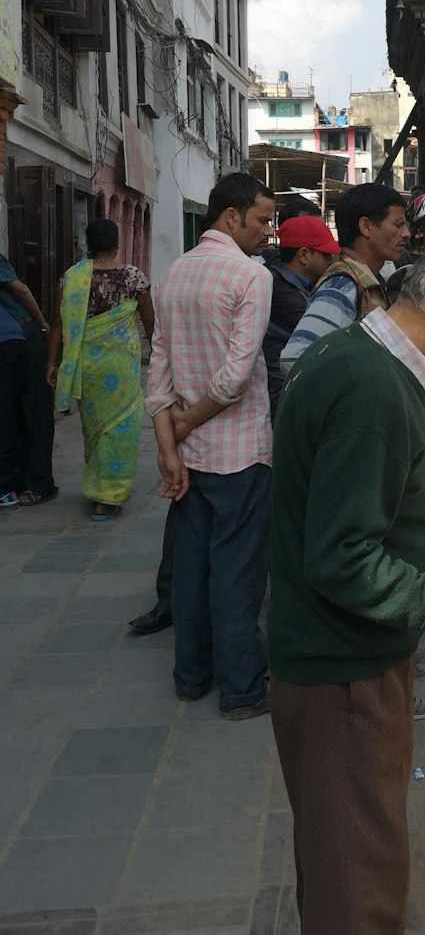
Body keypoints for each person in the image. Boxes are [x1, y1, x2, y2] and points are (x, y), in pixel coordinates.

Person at [268, 234, 425, 932]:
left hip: (332, 660)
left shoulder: (358, 353)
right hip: (342, 672)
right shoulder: (374, 386)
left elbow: (343, 485)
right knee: (358, 875)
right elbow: (342, 557)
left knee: (343, 856)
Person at [146, 173, 275, 719]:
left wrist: (171, 444)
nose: (269, 232)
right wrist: (182, 429)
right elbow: (236, 377)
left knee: (193, 569)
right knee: (237, 574)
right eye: (263, 220)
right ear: (231, 217)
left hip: (193, 456)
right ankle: (242, 688)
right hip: (239, 451)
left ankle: (191, 675)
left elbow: (159, 371)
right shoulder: (251, 277)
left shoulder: (174, 274)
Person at [45, 219, 154, 521]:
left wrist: (52, 363)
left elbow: (58, 324)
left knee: (94, 428)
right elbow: (150, 323)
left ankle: (98, 484)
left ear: (88, 245)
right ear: (117, 244)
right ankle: (109, 495)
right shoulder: (133, 277)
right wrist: (160, 357)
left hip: (87, 367)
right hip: (121, 369)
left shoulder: (71, 278)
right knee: (121, 426)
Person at [280, 183, 409, 374]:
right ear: (366, 227)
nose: (407, 233)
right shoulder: (343, 284)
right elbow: (296, 357)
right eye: (398, 225)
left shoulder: (368, 281)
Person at [263, 216, 339, 421]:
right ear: (304, 255)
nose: (331, 262)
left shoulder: (298, 285)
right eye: (326, 255)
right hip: (282, 393)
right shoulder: (280, 290)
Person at [0, 251, 58, 505]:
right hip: (15, 334)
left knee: (26, 409)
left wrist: (42, 326)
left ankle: (34, 482)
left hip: (18, 333)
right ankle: (24, 483)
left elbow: (20, 290)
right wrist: (43, 325)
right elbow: (21, 290)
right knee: (20, 410)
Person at [0, 304, 31, 510]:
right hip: (15, 340)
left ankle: (5, 490)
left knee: (4, 417)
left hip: (4, 345)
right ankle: (16, 482)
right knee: (12, 414)